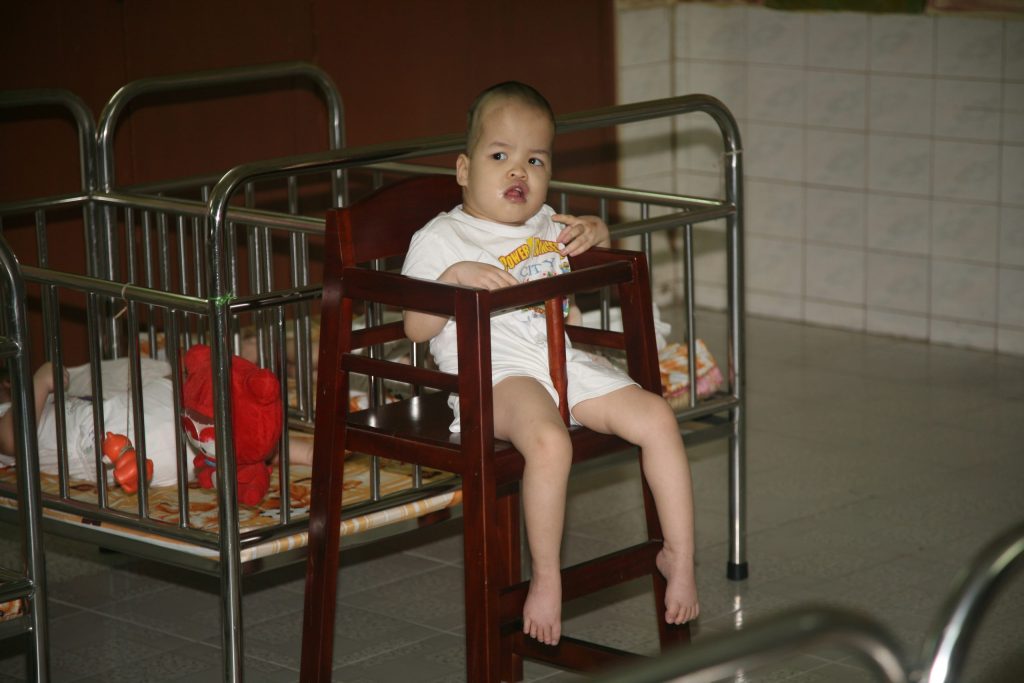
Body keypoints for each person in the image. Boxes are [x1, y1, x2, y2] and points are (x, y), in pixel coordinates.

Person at [401, 81, 700, 646]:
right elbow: (415, 328)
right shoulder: (442, 237)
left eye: (535, 160)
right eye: (500, 156)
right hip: (494, 376)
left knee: (657, 416)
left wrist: (595, 229)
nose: (518, 171)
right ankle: (545, 576)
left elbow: (593, 239)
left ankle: (678, 556)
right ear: (463, 169)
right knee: (549, 442)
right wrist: (453, 278)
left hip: (562, 360)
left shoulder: (545, 224)